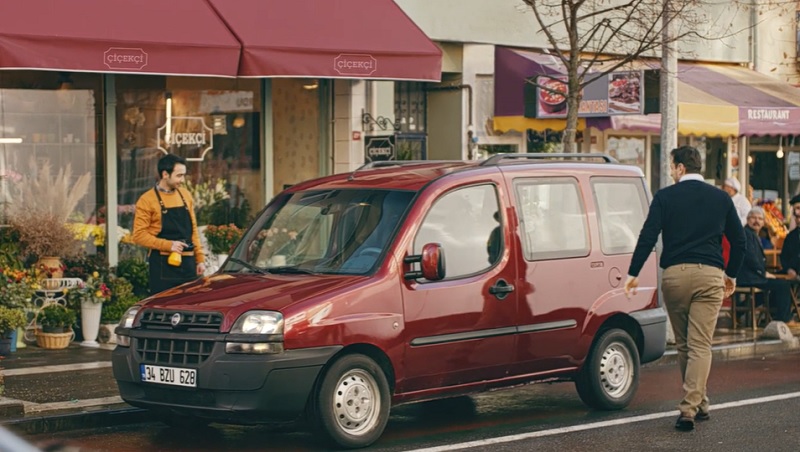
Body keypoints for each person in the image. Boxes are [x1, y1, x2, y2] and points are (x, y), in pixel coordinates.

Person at [624, 146, 745, 432]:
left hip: (675, 277)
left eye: (671, 166)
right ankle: (691, 407)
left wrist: (633, 272)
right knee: (701, 345)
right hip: (709, 276)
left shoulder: (665, 197)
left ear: (680, 168)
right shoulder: (721, 198)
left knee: (684, 345)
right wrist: (732, 275)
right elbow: (739, 242)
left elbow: (648, 236)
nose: (670, 171)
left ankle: (695, 404)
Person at [132, 154, 206, 294]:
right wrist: (169, 245)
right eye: (179, 176)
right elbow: (138, 235)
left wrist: (200, 259)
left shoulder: (185, 195)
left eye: (184, 175)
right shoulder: (147, 200)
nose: (182, 180)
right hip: (162, 266)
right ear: (165, 174)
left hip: (189, 264)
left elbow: (193, 230)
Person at [737, 207, 795, 325]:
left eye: (760, 219)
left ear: (764, 222)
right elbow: (750, 258)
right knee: (783, 285)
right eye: (753, 218)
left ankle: (742, 309)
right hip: (748, 276)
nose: (756, 221)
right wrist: (763, 273)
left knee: (775, 285)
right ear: (747, 219)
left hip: (753, 275)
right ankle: (783, 320)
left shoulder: (754, 234)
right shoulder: (746, 234)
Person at [780, 194, 800, 280]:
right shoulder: (791, 236)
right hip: (794, 276)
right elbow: (784, 257)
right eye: (797, 217)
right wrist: (789, 269)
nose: (798, 220)